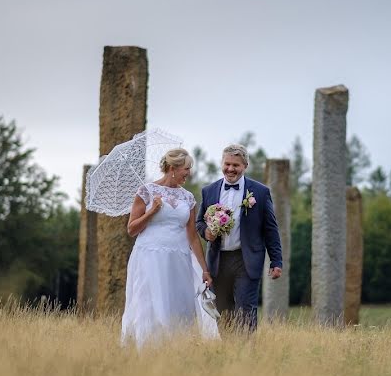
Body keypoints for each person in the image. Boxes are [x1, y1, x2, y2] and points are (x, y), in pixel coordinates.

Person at [121, 148, 219, 348]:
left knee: (180, 304)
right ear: (172, 168)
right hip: (150, 256)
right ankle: (147, 351)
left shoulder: (188, 198)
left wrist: (204, 269)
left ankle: (178, 349)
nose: (189, 172)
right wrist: (152, 212)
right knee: (149, 305)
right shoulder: (146, 192)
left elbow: (192, 236)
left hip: (179, 257)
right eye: (186, 168)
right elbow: (131, 229)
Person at [196, 144, 283, 331]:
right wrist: (206, 232)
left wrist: (276, 261)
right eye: (227, 164)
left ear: (245, 166)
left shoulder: (260, 192)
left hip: (247, 259)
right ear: (221, 163)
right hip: (218, 260)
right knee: (223, 309)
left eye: (236, 165)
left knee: (245, 308)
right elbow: (199, 223)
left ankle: (247, 352)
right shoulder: (209, 191)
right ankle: (230, 352)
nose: (230, 169)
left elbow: (271, 229)